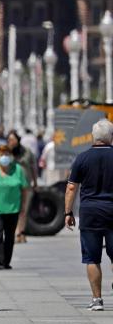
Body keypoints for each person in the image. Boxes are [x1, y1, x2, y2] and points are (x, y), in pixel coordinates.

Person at [65, 119, 113, 311]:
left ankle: (97, 299)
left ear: (94, 137)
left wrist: (68, 212)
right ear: (111, 137)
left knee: (92, 258)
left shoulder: (82, 158)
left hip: (90, 212)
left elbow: (71, 187)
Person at [7, 130, 38, 244]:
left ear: (18, 140)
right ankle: (15, 233)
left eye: (13, 139)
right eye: (9, 140)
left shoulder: (27, 152)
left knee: (23, 210)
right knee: (13, 210)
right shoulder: (5, 153)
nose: (11, 142)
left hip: (25, 185)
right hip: (10, 186)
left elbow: (33, 167)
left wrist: (35, 182)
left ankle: (21, 232)